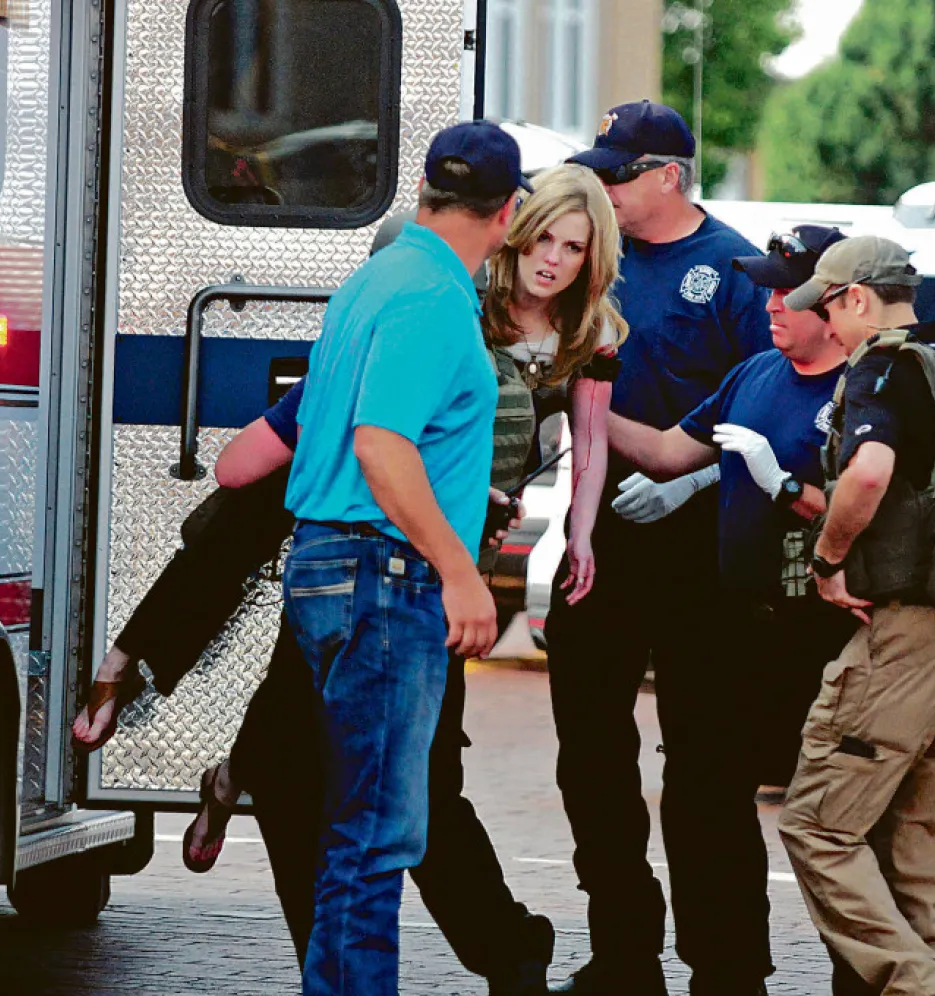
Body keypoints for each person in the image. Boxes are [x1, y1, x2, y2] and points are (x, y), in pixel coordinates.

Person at [283, 119, 526, 996]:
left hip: (327, 562)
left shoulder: (376, 278)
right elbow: (384, 446)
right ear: (506, 215)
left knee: (355, 825)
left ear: (426, 194)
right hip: (383, 578)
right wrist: (461, 572)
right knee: (375, 833)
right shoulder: (431, 296)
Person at [590, 226, 859, 993]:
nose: (769, 303)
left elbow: (869, 513)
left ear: (837, 304)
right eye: (766, 288)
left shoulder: (866, 390)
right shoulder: (755, 373)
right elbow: (671, 452)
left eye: (787, 292)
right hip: (732, 627)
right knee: (702, 797)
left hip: (824, 636)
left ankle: (863, 974)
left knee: (834, 820)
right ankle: (726, 968)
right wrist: (577, 396)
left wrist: (784, 487)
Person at [546, 100, 771, 994]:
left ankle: (726, 965)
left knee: (709, 767)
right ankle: (624, 953)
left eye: (617, 173)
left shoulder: (737, 271)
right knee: (590, 754)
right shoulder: (587, 262)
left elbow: (773, 408)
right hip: (603, 544)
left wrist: (697, 476)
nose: (600, 186)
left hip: (705, 552)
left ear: (669, 175)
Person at [777, 236, 935, 996]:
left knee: (818, 825)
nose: (827, 323)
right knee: (927, 854)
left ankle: (920, 986)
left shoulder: (883, 369)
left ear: (856, 297)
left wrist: (826, 556)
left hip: (914, 628)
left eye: (828, 306)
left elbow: (870, 471)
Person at [481, 163, 627, 602]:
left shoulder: (591, 332)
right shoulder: (473, 295)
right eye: (543, 236)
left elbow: (589, 439)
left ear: (590, 257)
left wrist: (580, 534)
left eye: (572, 247)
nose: (552, 258)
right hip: (433, 489)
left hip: (495, 514)